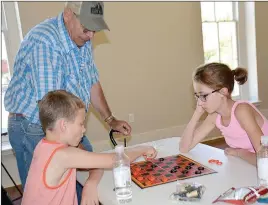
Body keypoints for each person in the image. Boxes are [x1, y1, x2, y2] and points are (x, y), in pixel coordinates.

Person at [4, 1, 131, 203]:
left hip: (65, 121)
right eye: (87, 29)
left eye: (95, 30)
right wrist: (88, 161)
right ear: (67, 15)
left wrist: (110, 119)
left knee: (85, 181)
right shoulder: (45, 43)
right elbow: (51, 109)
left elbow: (92, 82)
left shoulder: (82, 39)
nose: (90, 36)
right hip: (34, 125)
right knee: (49, 195)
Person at [21, 90, 157, 205]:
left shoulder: (44, 146)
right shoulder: (63, 155)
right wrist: (143, 148)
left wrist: (90, 183)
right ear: (63, 125)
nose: (84, 129)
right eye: (81, 124)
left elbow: (96, 164)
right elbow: (114, 160)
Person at [179, 62, 268, 167]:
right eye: (197, 96)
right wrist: (197, 113)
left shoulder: (242, 111)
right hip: (244, 169)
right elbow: (184, 148)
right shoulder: (215, 115)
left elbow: (267, 159)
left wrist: (239, 153)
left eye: (203, 96)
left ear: (223, 92)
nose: (200, 102)